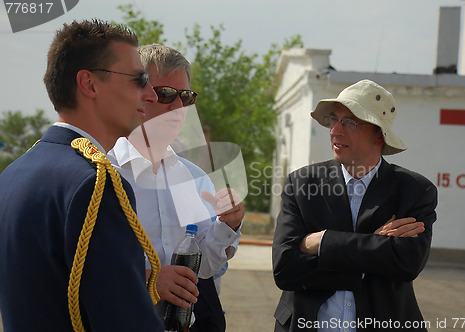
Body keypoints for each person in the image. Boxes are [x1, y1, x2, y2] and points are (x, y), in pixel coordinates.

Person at [0, 20, 165, 331]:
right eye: (139, 79)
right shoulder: (94, 184)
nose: (152, 95)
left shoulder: (13, 175)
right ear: (89, 84)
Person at [272, 79, 438, 332]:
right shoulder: (302, 183)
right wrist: (372, 249)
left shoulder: (415, 190)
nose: (335, 130)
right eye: (333, 120)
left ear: (379, 135)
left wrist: (324, 242)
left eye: (350, 122)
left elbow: (407, 264)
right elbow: (286, 269)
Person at [108, 44, 245, 331]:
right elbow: (78, 267)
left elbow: (204, 267)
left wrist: (228, 224)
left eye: (185, 96)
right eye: (166, 94)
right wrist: (148, 280)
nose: (178, 107)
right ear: (136, 93)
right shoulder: (103, 172)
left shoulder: (191, 177)